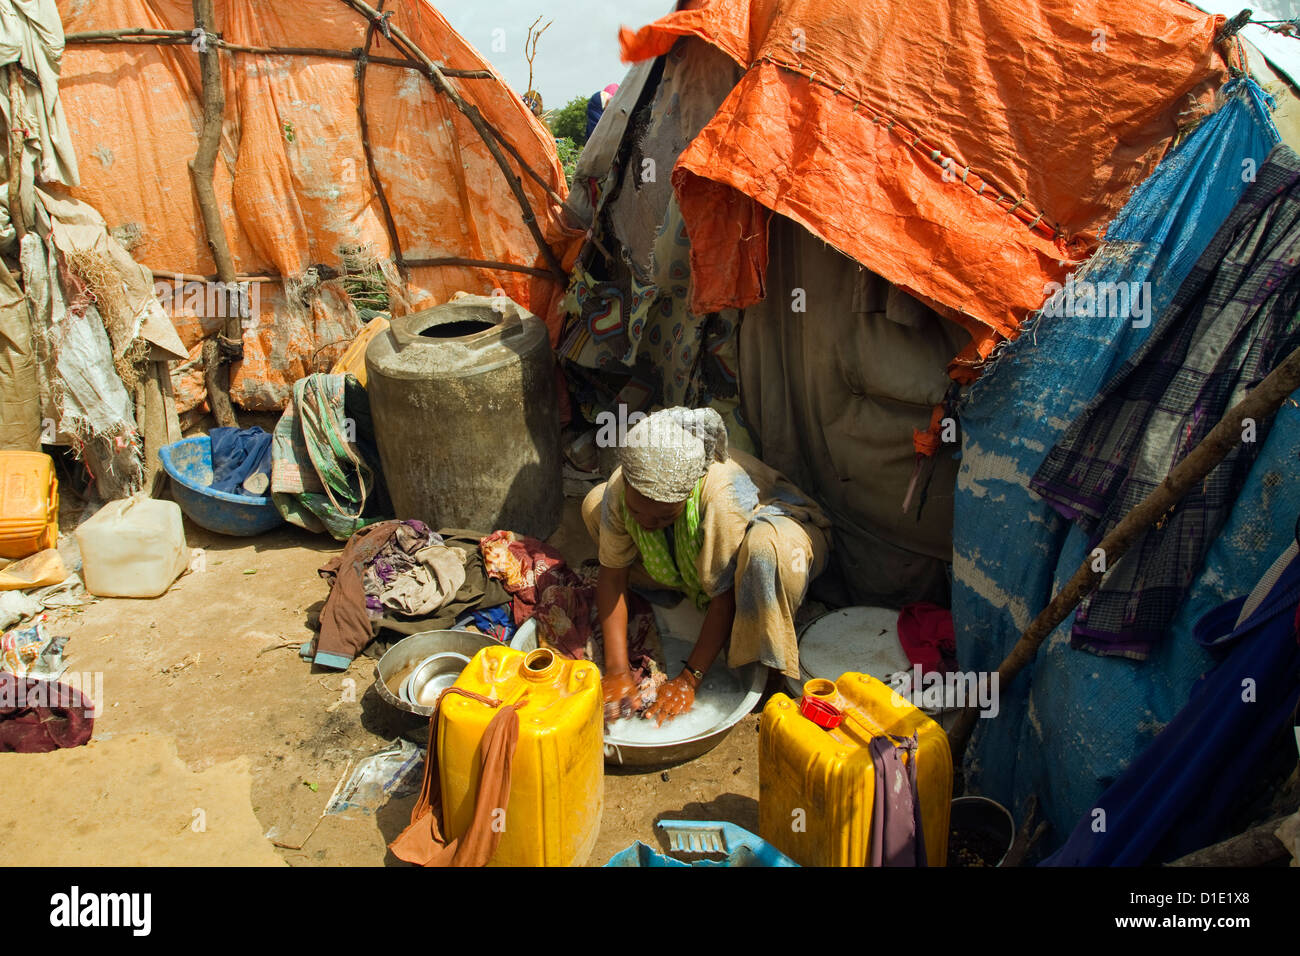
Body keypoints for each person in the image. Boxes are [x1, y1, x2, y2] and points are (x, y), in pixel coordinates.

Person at [583, 407, 832, 725]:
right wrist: (617, 670)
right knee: (595, 502)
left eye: (663, 517)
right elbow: (612, 576)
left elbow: (724, 594)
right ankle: (681, 597)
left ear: (685, 498)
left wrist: (688, 679)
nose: (647, 523)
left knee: (767, 551)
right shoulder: (621, 488)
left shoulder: (721, 497)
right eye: (638, 511)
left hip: (777, 541)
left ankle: (765, 656)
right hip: (694, 561)